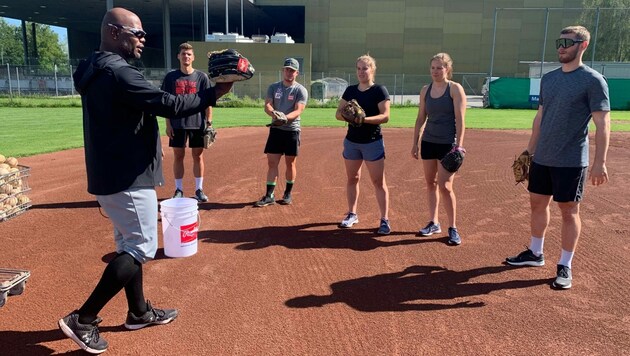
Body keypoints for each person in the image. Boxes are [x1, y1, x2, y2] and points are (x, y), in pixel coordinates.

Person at [59, 7, 233, 354]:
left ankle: (138, 312)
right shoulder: (117, 72)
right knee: (140, 248)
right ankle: (84, 318)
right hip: (128, 176)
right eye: (136, 34)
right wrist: (216, 92)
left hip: (111, 172)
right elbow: (168, 103)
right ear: (113, 32)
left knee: (129, 245)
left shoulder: (95, 68)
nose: (142, 40)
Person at [505, 25, 610, 290]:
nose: (561, 47)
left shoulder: (593, 80)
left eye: (567, 42)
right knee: (536, 205)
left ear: (583, 45)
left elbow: (603, 124)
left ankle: (565, 265)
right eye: (558, 42)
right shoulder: (549, 79)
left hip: (572, 159)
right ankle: (535, 252)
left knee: (568, 211)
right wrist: (529, 151)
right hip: (543, 157)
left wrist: (600, 162)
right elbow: (540, 117)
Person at [411, 53, 467, 246]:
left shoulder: (455, 89)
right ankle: (434, 222)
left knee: (445, 186)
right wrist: (415, 142)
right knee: (430, 183)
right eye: (433, 67)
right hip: (428, 142)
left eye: (440, 68)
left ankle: (453, 227)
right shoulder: (425, 90)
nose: (435, 71)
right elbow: (420, 118)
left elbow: (460, 120)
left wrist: (459, 146)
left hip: (447, 144)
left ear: (447, 69)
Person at [335, 54, 391, 235]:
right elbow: (338, 114)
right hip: (352, 141)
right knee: (353, 179)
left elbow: (385, 116)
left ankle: (384, 219)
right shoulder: (350, 90)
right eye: (358, 68)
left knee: (378, 182)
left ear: (372, 70)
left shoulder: (379, 90)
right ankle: (352, 214)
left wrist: (363, 119)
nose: (361, 72)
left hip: (372, 142)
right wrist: (348, 116)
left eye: (365, 68)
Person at [162, 42, 213, 202]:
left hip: (197, 122)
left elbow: (208, 101)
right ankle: (179, 189)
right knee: (178, 155)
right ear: (178, 56)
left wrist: (209, 122)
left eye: (189, 54)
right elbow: (165, 102)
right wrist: (168, 124)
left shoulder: (201, 77)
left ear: (193, 57)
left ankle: (199, 189)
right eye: (183, 54)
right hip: (177, 123)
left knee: (198, 156)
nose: (186, 56)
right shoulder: (171, 77)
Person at [254, 58, 308, 207]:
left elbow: (299, 110)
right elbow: (267, 105)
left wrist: (284, 118)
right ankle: (269, 195)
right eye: (287, 69)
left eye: (292, 70)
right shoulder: (273, 87)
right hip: (276, 130)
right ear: (283, 70)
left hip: (292, 130)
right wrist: (274, 114)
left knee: (290, 163)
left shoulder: (300, 90)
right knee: (272, 163)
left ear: (297, 72)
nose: (289, 72)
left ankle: (288, 193)